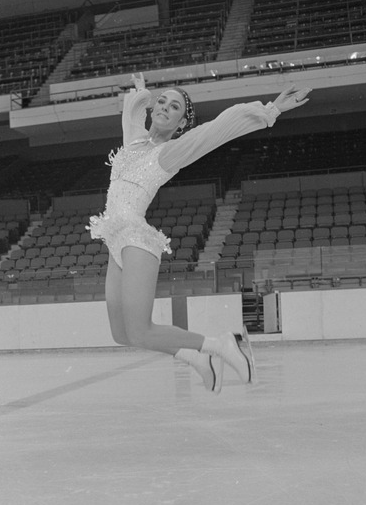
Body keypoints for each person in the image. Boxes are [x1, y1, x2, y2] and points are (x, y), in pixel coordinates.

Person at [87, 73, 311, 394]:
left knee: (140, 331)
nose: (164, 107)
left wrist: (270, 110)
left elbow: (217, 130)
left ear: (181, 124)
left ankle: (220, 345)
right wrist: (140, 92)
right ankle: (196, 358)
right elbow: (132, 115)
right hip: (114, 239)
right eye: (162, 101)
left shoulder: (172, 152)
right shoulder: (134, 142)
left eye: (174, 106)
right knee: (121, 334)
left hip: (136, 239)